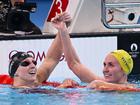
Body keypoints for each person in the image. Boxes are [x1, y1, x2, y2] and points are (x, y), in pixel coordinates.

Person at [51, 12, 138, 91]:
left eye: (111, 65)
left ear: (123, 69)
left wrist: (99, 84)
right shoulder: (98, 82)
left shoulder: (132, 90)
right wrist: (63, 30)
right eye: (104, 64)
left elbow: (128, 88)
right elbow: (74, 64)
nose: (105, 69)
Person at [8, 12, 71, 88]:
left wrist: (62, 27)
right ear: (15, 73)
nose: (33, 66)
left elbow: (51, 59)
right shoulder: (13, 94)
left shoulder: (36, 80)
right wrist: (61, 89)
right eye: (25, 64)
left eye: (34, 62)